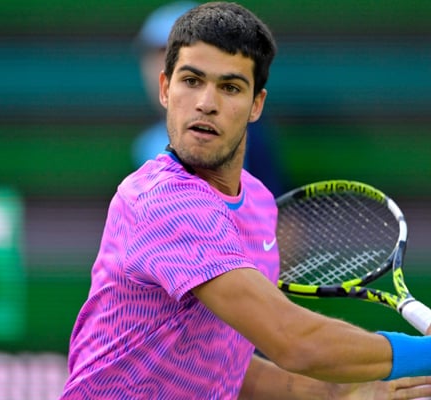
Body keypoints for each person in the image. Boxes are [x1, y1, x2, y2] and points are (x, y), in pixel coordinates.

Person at [60, 2, 431, 399]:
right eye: (191, 80)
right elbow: (292, 339)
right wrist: (423, 353)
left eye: (230, 87)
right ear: (166, 88)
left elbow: (222, 361)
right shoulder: (162, 201)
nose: (206, 102)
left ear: (256, 104)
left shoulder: (257, 202)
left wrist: (337, 393)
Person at [131, 1, 288, 196]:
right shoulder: (146, 145)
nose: (159, 66)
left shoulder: (246, 136)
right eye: (155, 54)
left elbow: (273, 207)